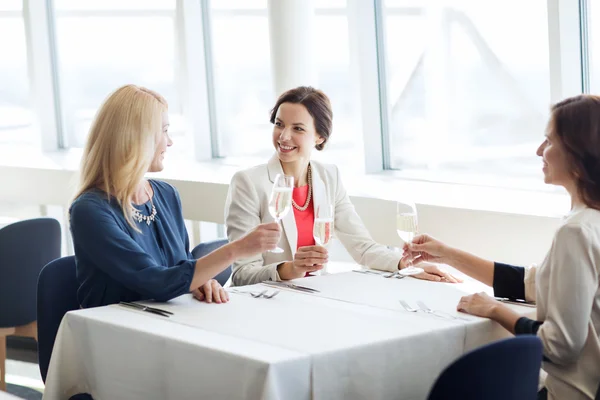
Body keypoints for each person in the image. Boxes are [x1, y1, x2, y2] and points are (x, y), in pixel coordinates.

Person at [406, 95, 600, 400]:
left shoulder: (576, 232)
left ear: (578, 155)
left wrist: (495, 310)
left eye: (548, 141)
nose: (539, 150)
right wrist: (448, 255)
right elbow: (533, 284)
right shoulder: (589, 222)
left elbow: (560, 346)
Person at [70, 84, 281, 308]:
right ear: (136, 138)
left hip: (167, 322)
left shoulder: (166, 194)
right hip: (116, 330)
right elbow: (157, 282)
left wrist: (201, 281)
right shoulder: (89, 210)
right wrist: (237, 249)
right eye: (163, 131)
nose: (169, 142)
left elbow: (181, 266)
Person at [225, 86, 459, 286]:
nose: (284, 137)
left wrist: (405, 264)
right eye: (279, 124)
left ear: (320, 137)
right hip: (266, 303)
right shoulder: (248, 183)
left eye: (298, 128)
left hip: (316, 296)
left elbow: (362, 247)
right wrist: (290, 269)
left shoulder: (329, 177)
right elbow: (242, 274)